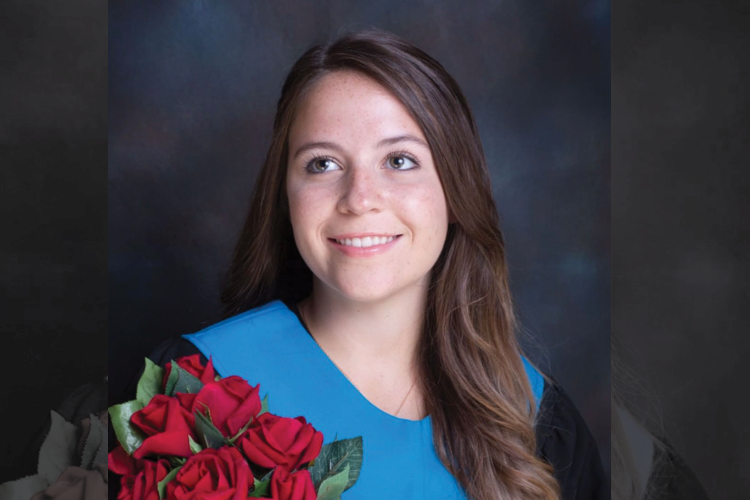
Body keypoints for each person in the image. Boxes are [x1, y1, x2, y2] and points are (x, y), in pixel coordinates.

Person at [112, 29, 606, 500]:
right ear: (285, 194)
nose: (359, 199)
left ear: (457, 190)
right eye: (322, 164)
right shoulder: (193, 385)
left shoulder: (537, 417)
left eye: (399, 161)